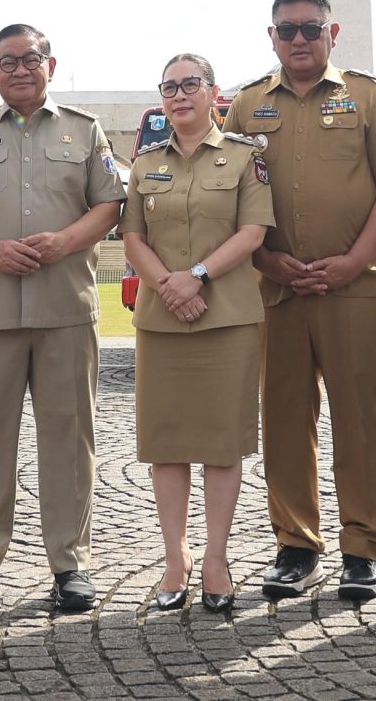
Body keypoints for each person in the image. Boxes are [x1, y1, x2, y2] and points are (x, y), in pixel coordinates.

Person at [220, 0, 376, 602]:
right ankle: (296, 544)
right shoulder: (247, 105)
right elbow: (228, 190)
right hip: (276, 289)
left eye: (310, 28)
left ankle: (363, 546)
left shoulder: (365, 96)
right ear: (270, 37)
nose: (299, 39)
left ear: (334, 32)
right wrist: (268, 260)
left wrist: (356, 260)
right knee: (284, 419)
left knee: (361, 419)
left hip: (354, 286)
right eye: (287, 30)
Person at [0, 24, 126, 613]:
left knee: (69, 439)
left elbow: (110, 205)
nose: (19, 69)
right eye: (6, 61)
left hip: (65, 306)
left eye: (30, 59)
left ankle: (71, 564)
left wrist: (64, 241)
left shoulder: (84, 131)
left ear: (51, 65)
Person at [121, 54, 273, 612]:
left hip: (227, 315)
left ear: (213, 94)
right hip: (162, 319)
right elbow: (132, 237)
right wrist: (167, 285)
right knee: (167, 443)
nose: (180, 95)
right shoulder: (144, 164)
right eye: (169, 87)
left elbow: (253, 231)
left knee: (220, 442)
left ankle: (215, 557)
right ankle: (173, 557)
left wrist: (198, 276)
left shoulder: (244, 159)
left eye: (192, 84)